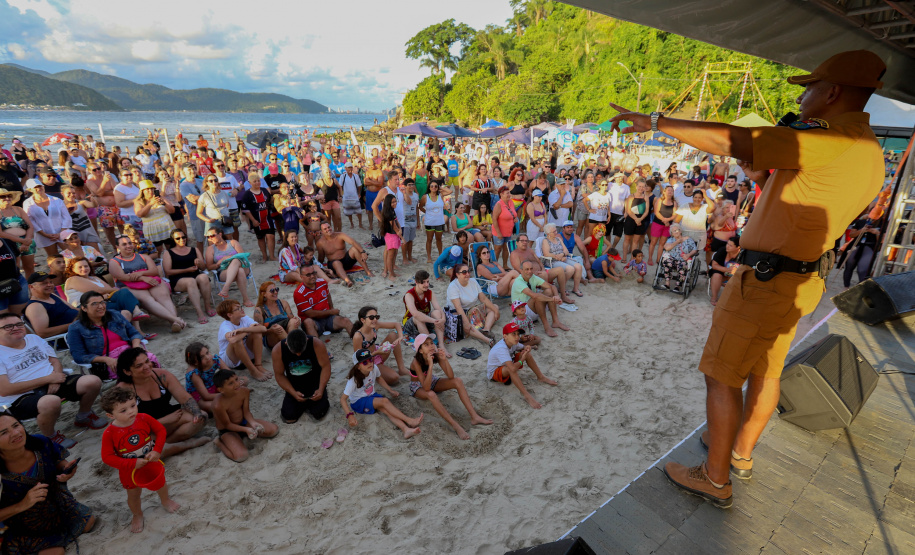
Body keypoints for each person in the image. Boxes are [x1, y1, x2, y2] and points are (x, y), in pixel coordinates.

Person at [609, 50, 887, 509]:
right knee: (766, 371)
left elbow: (737, 140)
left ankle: (715, 479)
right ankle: (739, 455)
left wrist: (656, 120)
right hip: (800, 282)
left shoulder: (828, 140)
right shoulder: (868, 149)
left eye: (810, 87)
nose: (804, 95)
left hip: (765, 280)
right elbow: (775, 179)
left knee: (721, 376)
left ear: (833, 92)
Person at [0, 312, 105, 447]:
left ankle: (84, 416)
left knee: (92, 381)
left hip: (53, 381)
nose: (15, 328)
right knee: (51, 402)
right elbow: (5, 390)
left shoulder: (33, 339)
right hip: (22, 396)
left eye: (19, 324)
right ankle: (50, 436)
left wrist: (55, 378)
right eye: (8, 326)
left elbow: (55, 361)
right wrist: (48, 379)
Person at [0, 411, 96, 552]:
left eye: (16, 425)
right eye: (3, 432)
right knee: (56, 552)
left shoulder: (40, 442)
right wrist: (23, 504)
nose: (15, 433)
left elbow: (59, 462)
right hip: (21, 523)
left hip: (56, 505)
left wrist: (66, 470)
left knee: (89, 522)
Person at [99, 387, 179, 534]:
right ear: (110, 415)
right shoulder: (109, 433)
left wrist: (157, 450)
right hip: (129, 470)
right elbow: (107, 457)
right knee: (134, 494)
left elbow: (161, 430)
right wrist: (131, 463)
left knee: (161, 484)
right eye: (123, 410)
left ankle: (165, 501)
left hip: (151, 461)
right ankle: (137, 514)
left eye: (133, 405)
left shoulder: (143, 418)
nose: (131, 411)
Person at [114, 347, 210, 457]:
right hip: (145, 431)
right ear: (127, 371)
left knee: (202, 416)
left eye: (147, 361)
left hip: (170, 418)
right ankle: (186, 444)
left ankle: (165, 445)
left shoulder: (161, 376)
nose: (146, 367)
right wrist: (163, 421)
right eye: (139, 366)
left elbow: (185, 398)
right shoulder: (123, 390)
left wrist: (197, 413)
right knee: (140, 451)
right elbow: (126, 425)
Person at [409, 334, 492, 440]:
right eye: (426, 344)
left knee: (458, 381)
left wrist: (444, 360)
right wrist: (430, 366)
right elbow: (426, 388)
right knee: (431, 394)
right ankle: (455, 425)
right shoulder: (416, 361)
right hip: (418, 386)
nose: (431, 346)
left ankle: (474, 416)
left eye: (431, 343)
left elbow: (451, 376)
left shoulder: (436, 355)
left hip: (431, 380)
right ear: (420, 350)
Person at [109, 235, 186, 332]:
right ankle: (175, 319)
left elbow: (154, 271)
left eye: (129, 243)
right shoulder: (114, 261)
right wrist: (143, 278)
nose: (128, 246)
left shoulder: (143, 256)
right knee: (148, 299)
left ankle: (174, 323)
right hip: (129, 285)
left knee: (163, 296)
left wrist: (141, 273)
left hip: (149, 281)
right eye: (124, 244)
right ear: (117, 247)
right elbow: (122, 277)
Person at [342, 349, 423, 439]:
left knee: (386, 410)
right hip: (358, 403)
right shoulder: (354, 380)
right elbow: (343, 399)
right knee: (384, 401)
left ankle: (406, 429)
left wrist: (390, 390)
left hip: (370, 396)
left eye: (370, 360)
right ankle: (409, 420)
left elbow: (379, 378)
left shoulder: (374, 368)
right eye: (364, 362)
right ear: (358, 366)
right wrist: (349, 415)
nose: (369, 363)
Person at [486, 322, 557, 409]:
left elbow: (523, 347)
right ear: (505, 336)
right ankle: (526, 395)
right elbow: (512, 368)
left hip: (507, 365)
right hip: (494, 374)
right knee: (511, 369)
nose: (517, 337)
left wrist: (527, 348)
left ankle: (541, 377)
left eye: (518, 334)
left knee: (527, 355)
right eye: (513, 334)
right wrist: (522, 358)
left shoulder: (512, 342)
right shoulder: (501, 349)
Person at [212, 370, 278, 462]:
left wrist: (253, 423)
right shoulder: (218, 405)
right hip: (228, 430)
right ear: (221, 390)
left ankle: (245, 434)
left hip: (243, 422)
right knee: (241, 456)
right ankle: (219, 443)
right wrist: (246, 430)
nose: (237, 384)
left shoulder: (244, 391)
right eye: (231, 383)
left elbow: (246, 412)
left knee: (273, 430)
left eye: (236, 379)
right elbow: (227, 425)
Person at [64, 257, 148, 330]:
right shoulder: (73, 279)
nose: (84, 268)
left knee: (124, 293)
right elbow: (99, 290)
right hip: (87, 308)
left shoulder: (94, 278)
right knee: (125, 302)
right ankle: (136, 330)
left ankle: (137, 315)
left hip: (103, 302)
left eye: (86, 266)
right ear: (72, 269)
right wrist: (104, 294)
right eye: (80, 267)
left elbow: (108, 289)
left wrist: (106, 293)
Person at [272, 328, 332, 424]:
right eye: (295, 352)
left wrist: (321, 389)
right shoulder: (278, 350)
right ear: (287, 344)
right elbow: (279, 375)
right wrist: (293, 392)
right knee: (289, 417)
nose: (298, 354)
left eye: (301, 351)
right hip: (295, 386)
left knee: (319, 413)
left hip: (315, 383)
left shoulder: (316, 344)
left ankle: (319, 397)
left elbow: (326, 367)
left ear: (306, 340)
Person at [162, 228, 215, 324]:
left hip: (195, 274)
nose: (182, 239)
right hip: (177, 279)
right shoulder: (168, 253)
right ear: (173, 240)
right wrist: (187, 269)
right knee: (190, 281)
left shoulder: (194, 249)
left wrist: (199, 263)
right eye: (178, 238)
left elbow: (203, 268)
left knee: (203, 277)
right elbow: (168, 272)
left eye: (183, 237)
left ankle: (207, 306)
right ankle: (199, 312)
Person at [509, 233, 574, 305]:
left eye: (526, 241)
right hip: (531, 277)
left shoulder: (530, 250)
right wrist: (532, 274)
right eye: (522, 241)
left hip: (542, 272)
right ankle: (546, 298)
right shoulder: (515, 254)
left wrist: (543, 269)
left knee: (560, 270)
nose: (525, 242)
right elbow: (519, 270)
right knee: (544, 276)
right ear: (517, 242)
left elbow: (539, 261)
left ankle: (563, 295)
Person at [350, 305, 407, 385]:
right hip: (368, 361)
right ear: (363, 320)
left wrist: (400, 337)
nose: (375, 320)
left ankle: (401, 368)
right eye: (371, 317)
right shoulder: (358, 336)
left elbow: (396, 324)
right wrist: (377, 353)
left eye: (377, 317)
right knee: (394, 378)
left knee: (393, 335)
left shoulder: (374, 326)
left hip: (378, 352)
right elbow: (359, 360)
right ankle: (375, 374)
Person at [216, 299, 270, 381]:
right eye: (238, 308)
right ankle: (253, 371)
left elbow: (263, 329)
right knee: (237, 340)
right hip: (232, 360)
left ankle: (258, 365)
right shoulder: (225, 326)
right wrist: (247, 330)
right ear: (230, 315)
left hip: (246, 353)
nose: (242, 309)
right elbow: (233, 340)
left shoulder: (244, 318)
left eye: (240, 306)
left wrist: (244, 329)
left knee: (257, 332)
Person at [512, 260, 568, 337]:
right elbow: (534, 296)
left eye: (531, 269)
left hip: (532, 309)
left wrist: (556, 296)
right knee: (537, 297)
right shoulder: (519, 282)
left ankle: (556, 321)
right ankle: (546, 326)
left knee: (548, 291)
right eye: (527, 269)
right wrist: (552, 299)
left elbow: (552, 286)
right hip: (521, 312)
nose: (530, 271)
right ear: (521, 271)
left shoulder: (533, 277)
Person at [446, 264, 499, 346]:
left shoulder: (473, 281)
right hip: (459, 312)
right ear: (457, 274)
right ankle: (487, 340)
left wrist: (496, 311)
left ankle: (486, 330)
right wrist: (466, 322)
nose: (467, 274)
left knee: (495, 307)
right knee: (464, 325)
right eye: (464, 272)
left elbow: (483, 299)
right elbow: (458, 307)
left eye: (468, 271)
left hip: (473, 310)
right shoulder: (453, 287)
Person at [293, 262, 353, 335]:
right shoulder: (299, 293)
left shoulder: (322, 282)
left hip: (328, 317)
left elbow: (328, 296)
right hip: (314, 321)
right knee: (308, 322)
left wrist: (331, 308)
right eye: (308, 275)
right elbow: (310, 314)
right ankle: (316, 344)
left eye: (314, 273)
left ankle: (359, 343)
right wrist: (331, 312)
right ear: (301, 277)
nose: (312, 276)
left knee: (346, 321)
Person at [402, 270, 448, 356]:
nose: (427, 285)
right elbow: (415, 313)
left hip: (426, 320)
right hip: (411, 323)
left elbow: (439, 309)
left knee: (437, 313)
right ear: (416, 282)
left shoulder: (429, 292)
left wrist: (442, 319)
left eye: (427, 281)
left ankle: (441, 344)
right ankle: (433, 347)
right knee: (418, 318)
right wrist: (434, 321)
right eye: (423, 282)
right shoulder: (409, 295)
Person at [205, 227, 254, 307]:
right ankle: (246, 300)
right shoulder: (210, 249)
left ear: (220, 234)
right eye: (208, 237)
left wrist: (230, 257)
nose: (210, 238)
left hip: (242, 266)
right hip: (224, 272)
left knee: (236, 260)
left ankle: (226, 287)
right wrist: (218, 263)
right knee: (239, 271)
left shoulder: (233, 242)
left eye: (212, 235)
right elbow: (209, 267)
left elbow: (243, 256)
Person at [23, 177, 71, 258]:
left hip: (62, 232)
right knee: (54, 257)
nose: (38, 189)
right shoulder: (27, 203)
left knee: (70, 255)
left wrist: (61, 233)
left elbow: (66, 217)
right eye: (35, 187)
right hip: (44, 235)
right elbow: (30, 220)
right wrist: (44, 234)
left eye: (40, 186)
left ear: (43, 186)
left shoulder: (56, 200)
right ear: (30, 190)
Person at [23, 270, 78, 339]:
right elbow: (42, 333)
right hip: (68, 337)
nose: (49, 285)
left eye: (51, 282)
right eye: (44, 283)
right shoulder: (35, 306)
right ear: (31, 287)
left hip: (80, 328)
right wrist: (73, 325)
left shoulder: (51, 295)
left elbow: (73, 308)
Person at [316, 222, 372, 287]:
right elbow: (321, 257)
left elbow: (353, 242)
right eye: (325, 229)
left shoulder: (340, 235)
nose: (328, 229)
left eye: (329, 227)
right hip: (334, 264)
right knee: (336, 263)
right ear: (321, 232)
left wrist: (362, 252)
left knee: (354, 249)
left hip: (346, 261)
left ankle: (368, 272)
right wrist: (321, 269)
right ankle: (348, 281)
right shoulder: (320, 243)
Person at [239, 169, 276, 262]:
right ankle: (264, 256)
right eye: (255, 181)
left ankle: (272, 256)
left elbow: (270, 201)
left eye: (258, 180)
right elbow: (246, 209)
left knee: (271, 236)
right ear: (250, 182)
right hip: (256, 220)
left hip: (267, 218)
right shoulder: (247, 194)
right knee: (261, 238)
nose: (257, 183)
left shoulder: (264, 191)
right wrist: (253, 220)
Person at [252, 280, 301, 349]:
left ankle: (292, 346)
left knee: (293, 321)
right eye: (272, 290)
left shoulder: (283, 303)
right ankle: (294, 347)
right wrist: (271, 330)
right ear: (264, 294)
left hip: (287, 333)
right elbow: (259, 332)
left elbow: (291, 318)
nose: (275, 292)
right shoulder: (259, 310)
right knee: (277, 327)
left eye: (277, 289)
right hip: (272, 338)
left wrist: (296, 320)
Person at [183, 341, 229, 415]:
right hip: (199, 396)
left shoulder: (214, 360)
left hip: (212, 386)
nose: (207, 357)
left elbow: (229, 374)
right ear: (195, 362)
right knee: (217, 406)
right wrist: (227, 393)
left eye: (207, 353)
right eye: (202, 357)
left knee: (244, 381)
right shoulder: (194, 373)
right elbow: (206, 396)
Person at [541, 223, 585, 298]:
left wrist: (562, 255)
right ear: (548, 233)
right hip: (552, 261)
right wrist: (557, 257)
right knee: (570, 269)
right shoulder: (545, 241)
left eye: (556, 231)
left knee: (578, 266)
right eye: (554, 232)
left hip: (563, 258)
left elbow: (566, 250)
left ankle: (575, 288)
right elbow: (546, 254)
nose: (556, 233)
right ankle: (561, 287)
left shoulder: (558, 239)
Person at [134, 180, 176, 257]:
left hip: (167, 228)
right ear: (142, 191)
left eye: (152, 188)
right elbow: (140, 214)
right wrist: (150, 204)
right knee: (157, 251)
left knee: (172, 249)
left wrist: (164, 203)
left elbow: (172, 210)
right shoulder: (139, 201)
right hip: (152, 231)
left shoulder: (161, 197)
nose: (150, 191)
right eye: (147, 189)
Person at [0, 187, 36, 277]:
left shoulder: (18, 209)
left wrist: (27, 240)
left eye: (9, 196)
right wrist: (22, 241)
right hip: (9, 244)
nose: (7, 198)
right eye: (3, 196)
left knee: (30, 268)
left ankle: (31, 289)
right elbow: (1, 233)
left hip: (27, 242)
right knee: (15, 269)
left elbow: (30, 226)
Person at [842, 214, 881, 288]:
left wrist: (877, 233)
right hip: (856, 245)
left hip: (870, 246)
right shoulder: (860, 222)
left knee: (862, 268)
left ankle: (861, 286)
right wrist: (861, 231)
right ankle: (846, 286)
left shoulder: (882, 224)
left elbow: (882, 241)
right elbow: (851, 235)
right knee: (849, 265)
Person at [648, 185, 677, 266]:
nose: (670, 192)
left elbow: (674, 214)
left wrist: (667, 221)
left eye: (672, 190)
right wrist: (665, 220)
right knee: (653, 242)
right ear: (664, 191)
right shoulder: (660, 200)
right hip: (657, 223)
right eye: (668, 190)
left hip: (668, 225)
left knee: (662, 243)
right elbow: (656, 212)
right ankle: (650, 258)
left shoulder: (674, 202)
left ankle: (658, 259)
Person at [622, 179, 651, 260]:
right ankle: (624, 257)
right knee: (627, 239)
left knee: (636, 240)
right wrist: (636, 219)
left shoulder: (646, 197)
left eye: (643, 187)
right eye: (639, 186)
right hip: (631, 220)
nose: (641, 188)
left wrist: (640, 219)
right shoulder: (631, 196)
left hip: (641, 220)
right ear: (636, 186)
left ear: (645, 188)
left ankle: (632, 259)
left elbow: (647, 210)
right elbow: (628, 210)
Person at [419, 180, 447, 263]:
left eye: (435, 186)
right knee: (429, 239)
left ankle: (440, 255)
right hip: (429, 221)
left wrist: (441, 187)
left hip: (440, 221)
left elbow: (450, 191)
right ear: (429, 188)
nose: (434, 187)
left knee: (439, 239)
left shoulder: (440, 195)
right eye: (432, 186)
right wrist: (427, 213)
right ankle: (429, 257)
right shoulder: (425, 197)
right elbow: (420, 206)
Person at [491, 186, 518, 268]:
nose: (509, 194)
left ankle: (505, 265)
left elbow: (512, 213)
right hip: (499, 231)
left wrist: (514, 218)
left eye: (509, 193)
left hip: (508, 231)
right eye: (507, 193)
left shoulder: (511, 202)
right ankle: (494, 266)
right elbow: (494, 219)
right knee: (497, 249)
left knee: (506, 248)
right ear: (501, 195)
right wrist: (498, 233)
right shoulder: (498, 205)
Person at [709, 236, 741, 305]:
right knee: (717, 275)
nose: (727, 246)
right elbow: (714, 265)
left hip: (734, 276)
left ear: (738, 247)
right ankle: (714, 297)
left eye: (730, 245)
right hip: (720, 272)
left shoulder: (741, 255)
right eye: (727, 244)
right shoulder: (722, 250)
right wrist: (727, 270)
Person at [380, 195, 403, 281]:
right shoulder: (388, 213)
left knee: (394, 254)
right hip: (391, 235)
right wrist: (400, 234)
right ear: (388, 203)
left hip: (394, 234)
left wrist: (399, 229)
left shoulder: (391, 211)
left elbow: (396, 222)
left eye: (395, 201)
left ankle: (391, 272)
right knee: (391, 255)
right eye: (392, 202)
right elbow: (394, 226)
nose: (395, 203)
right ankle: (390, 274)